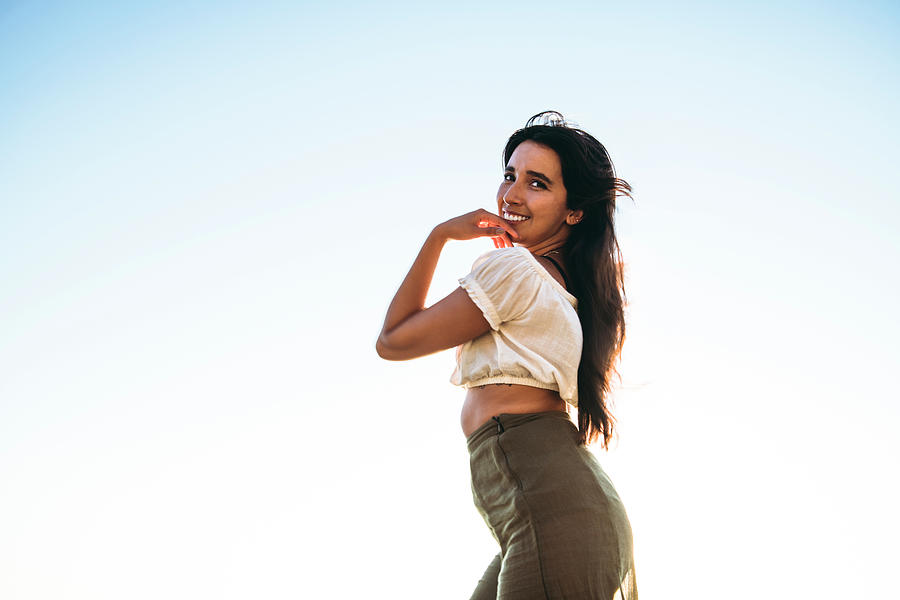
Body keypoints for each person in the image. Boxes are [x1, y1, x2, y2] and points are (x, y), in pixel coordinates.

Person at [376, 111, 637, 599]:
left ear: (574, 211)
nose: (512, 195)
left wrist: (439, 236)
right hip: (553, 510)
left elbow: (393, 340)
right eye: (509, 175)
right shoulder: (561, 288)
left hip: (553, 506)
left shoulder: (516, 270)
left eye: (537, 183)